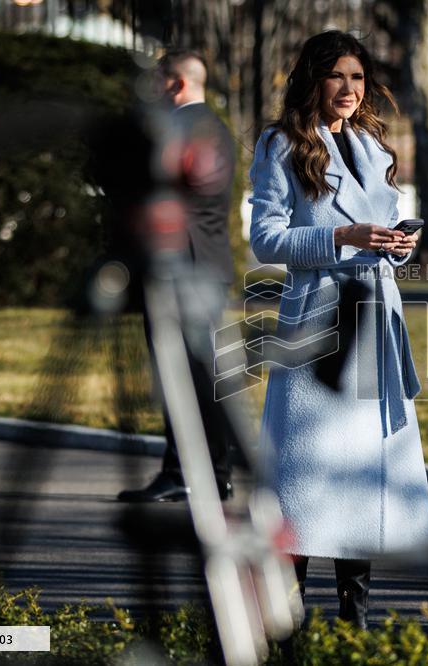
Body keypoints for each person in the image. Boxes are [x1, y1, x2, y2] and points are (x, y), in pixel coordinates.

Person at [248, 30, 428, 629]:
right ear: (314, 80)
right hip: (317, 322)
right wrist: (340, 236)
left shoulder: (373, 146)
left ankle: (355, 624)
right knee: (304, 478)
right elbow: (265, 239)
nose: (349, 89)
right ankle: (287, 624)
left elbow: (385, 225)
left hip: (375, 316)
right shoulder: (282, 143)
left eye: (357, 77)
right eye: (337, 76)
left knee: (363, 479)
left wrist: (400, 244)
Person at [118, 51, 238, 503]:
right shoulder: (216, 128)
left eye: (157, 81)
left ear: (176, 83)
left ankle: (184, 472)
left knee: (179, 376)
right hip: (206, 264)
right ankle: (214, 473)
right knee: (202, 376)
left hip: (180, 265)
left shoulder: (179, 129)